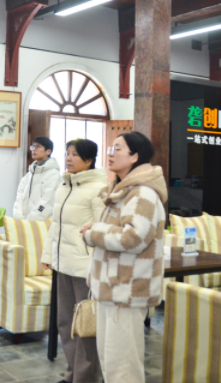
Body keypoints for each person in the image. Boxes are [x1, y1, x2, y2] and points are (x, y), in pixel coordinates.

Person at [80, 132, 167, 383]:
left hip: (126, 290)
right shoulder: (124, 189)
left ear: (134, 157)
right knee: (111, 362)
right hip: (112, 288)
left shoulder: (143, 193)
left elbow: (133, 238)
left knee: (123, 367)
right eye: (110, 148)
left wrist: (93, 232)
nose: (110, 153)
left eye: (117, 149)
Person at [40, 138, 107, 383]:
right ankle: (71, 375)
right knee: (65, 323)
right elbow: (56, 226)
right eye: (67, 153)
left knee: (86, 326)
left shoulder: (99, 188)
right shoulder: (64, 185)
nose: (68, 158)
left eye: (75, 154)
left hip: (85, 269)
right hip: (62, 265)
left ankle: (85, 378)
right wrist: (48, 255)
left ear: (89, 160)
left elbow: (102, 230)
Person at [13, 136, 61, 222]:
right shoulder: (28, 175)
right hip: (24, 222)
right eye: (33, 146)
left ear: (48, 151)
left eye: (38, 146)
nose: (34, 149)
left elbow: (47, 201)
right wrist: (19, 217)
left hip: (42, 223)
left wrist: (30, 220)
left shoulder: (54, 175)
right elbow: (19, 197)